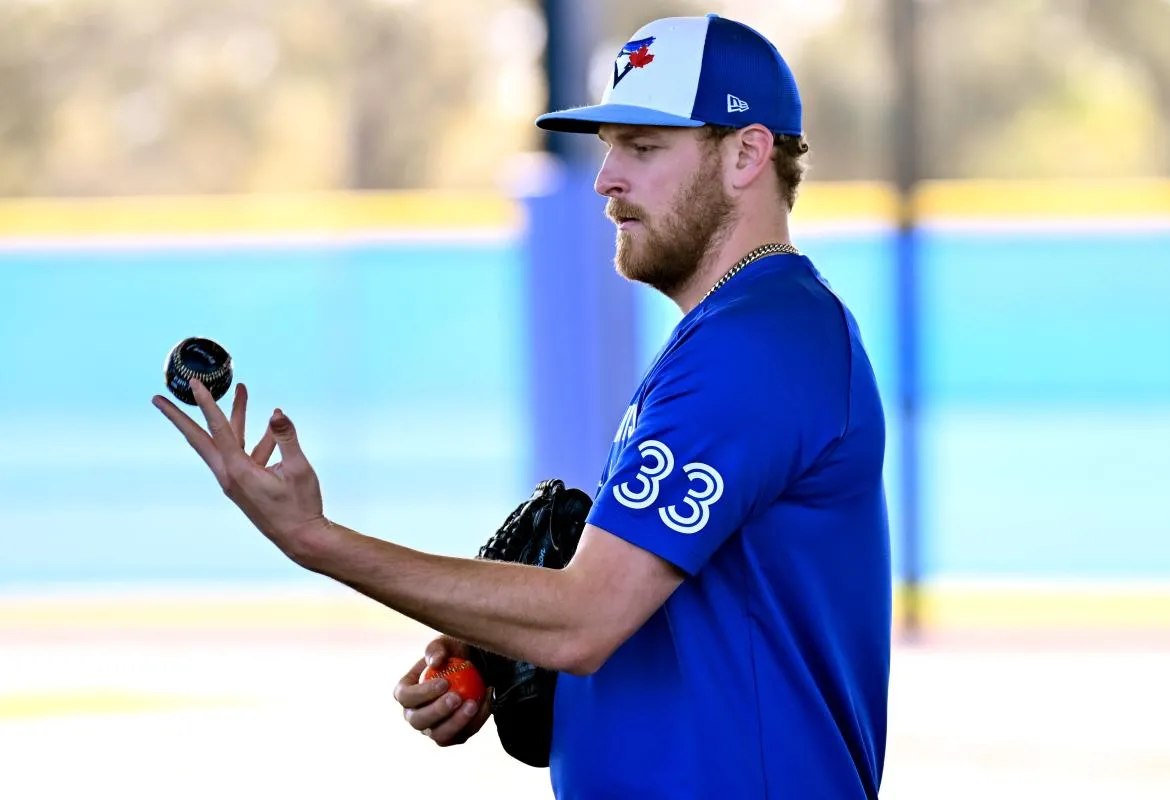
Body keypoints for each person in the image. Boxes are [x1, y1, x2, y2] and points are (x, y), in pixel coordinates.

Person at [153, 12, 892, 799]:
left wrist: (315, 539)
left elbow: (586, 618)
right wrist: (492, 640)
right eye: (608, 146)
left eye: (642, 148)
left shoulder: (760, 343)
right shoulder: (737, 333)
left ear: (747, 152)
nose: (607, 177)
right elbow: (645, 609)